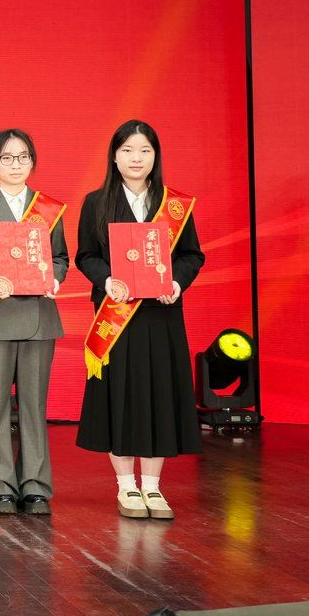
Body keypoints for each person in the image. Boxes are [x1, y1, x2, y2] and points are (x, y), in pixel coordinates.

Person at [75, 119, 205, 520]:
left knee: (157, 396)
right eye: (128, 150)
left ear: (155, 157)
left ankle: (152, 486)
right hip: (117, 315)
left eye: (145, 150)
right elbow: (86, 256)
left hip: (161, 314)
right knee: (121, 396)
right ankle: (126, 486)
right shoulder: (96, 203)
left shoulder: (174, 205)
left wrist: (177, 282)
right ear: (114, 156)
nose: (136, 158)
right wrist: (107, 280)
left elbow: (192, 255)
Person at [0, 129, 68, 516]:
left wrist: (55, 279)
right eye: (6, 158)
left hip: (39, 317)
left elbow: (60, 258)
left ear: (32, 162)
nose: (15, 164)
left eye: (23, 157)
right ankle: (1, 484)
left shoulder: (49, 209)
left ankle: (36, 485)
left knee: (34, 406)